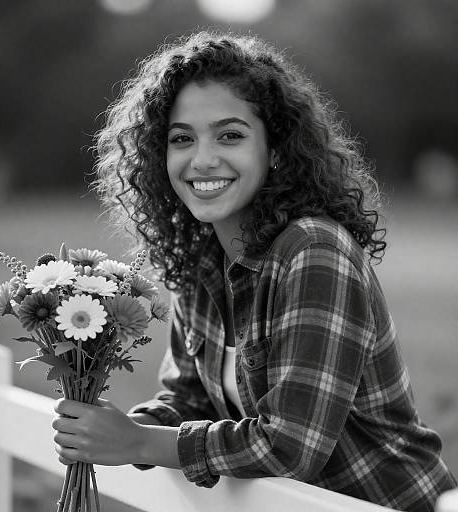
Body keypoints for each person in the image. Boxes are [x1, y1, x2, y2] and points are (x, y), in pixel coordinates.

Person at [52, 31, 456, 511]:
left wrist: (139, 443)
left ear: (277, 149)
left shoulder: (313, 251)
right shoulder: (201, 260)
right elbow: (189, 398)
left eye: (230, 135)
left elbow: (291, 446)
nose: (202, 159)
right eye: (182, 139)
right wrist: (106, 426)